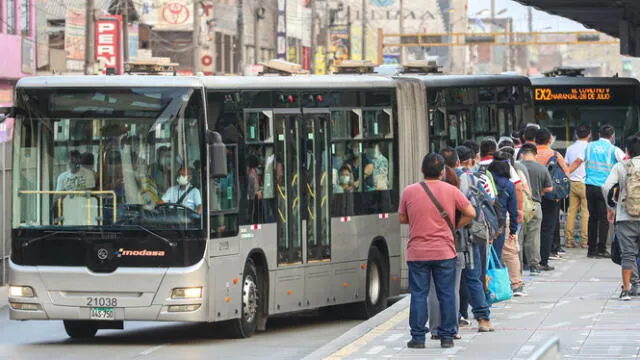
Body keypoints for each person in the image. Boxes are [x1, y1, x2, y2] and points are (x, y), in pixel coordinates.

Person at [399, 153, 476, 349]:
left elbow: (402, 218)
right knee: (447, 293)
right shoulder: (451, 190)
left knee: (418, 294)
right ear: (442, 172)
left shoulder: (409, 191)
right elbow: (471, 213)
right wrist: (455, 226)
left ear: (422, 170)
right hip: (444, 251)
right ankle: (447, 336)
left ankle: (417, 337)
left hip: (417, 252)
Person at [455, 145, 494, 331]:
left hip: (445, 239)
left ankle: (456, 316)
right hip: (468, 236)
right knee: (472, 278)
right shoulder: (471, 178)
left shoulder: (440, 181)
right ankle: (483, 318)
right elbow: (485, 203)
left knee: (449, 281)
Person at [603, 135, 640, 300]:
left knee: (628, 254)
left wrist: (611, 206)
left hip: (626, 216)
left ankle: (627, 288)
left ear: (628, 150)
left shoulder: (621, 166)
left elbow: (606, 186)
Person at [585, 125, 625, 258]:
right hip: (605, 188)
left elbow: (581, 160)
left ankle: (591, 249)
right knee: (604, 219)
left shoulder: (589, 146)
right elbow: (626, 162)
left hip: (589, 186)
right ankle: (601, 249)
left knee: (592, 217)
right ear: (612, 136)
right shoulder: (614, 149)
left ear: (599, 134)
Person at [535, 127, 569, 269]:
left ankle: (530, 260)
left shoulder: (529, 154)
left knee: (532, 230)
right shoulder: (555, 154)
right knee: (548, 229)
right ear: (549, 140)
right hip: (551, 196)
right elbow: (567, 174)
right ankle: (544, 260)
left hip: (532, 196)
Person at [518, 144, 554, 274]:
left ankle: (520, 263)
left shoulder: (517, 166)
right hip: (535, 205)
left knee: (519, 234)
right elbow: (549, 188)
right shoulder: (542, 168)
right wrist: (539, 191)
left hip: (520, 204)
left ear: (522, 153)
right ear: (535, 154)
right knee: (533, 235)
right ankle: (533, 264)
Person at [564, 125, 591, 248]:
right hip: (585, 183)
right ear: (589, 135)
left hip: (572, 182)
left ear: (576, 135)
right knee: (585, 213)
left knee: (571, 212)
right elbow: (581, 161)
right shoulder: (589, 147)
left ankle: (569, 240)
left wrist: (567, 175)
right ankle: (584, 241)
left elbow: (566, 164)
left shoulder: (570, 148)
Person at [488, 158, 519, 259]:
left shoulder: (486, 181)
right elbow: (513, 210)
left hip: (485, 221)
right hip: (499, 223)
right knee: (496, 255)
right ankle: (494, 273)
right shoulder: (509, 185)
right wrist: (513, 230)